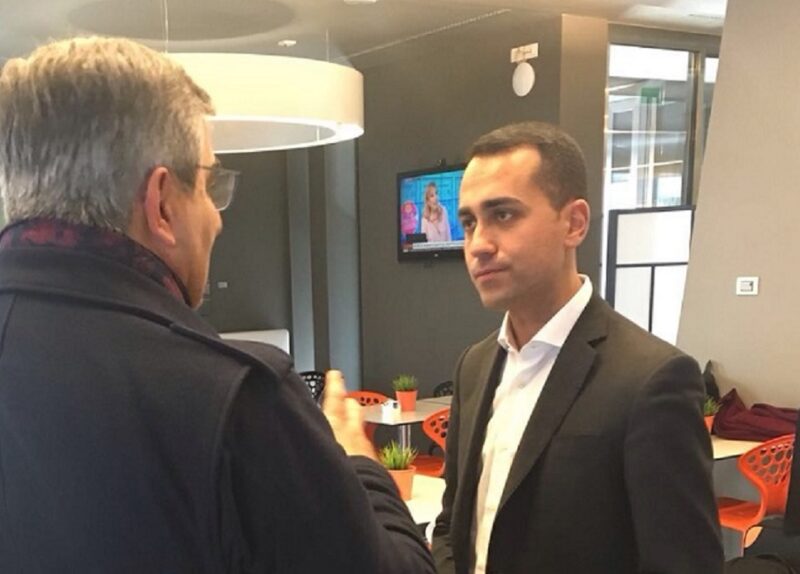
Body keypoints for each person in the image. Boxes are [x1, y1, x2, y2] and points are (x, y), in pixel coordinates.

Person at [0, 37, 434, 573]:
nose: (218, 218)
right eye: (210, 185)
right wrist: (359, 465)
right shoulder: (235, 398)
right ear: (162, 203)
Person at [431, 121, 723, 574]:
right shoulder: (475, 365)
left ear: (574, 223)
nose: (478, 245)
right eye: (469, 222)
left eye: (503, 215)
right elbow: (453, 526)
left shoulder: (650, 380)